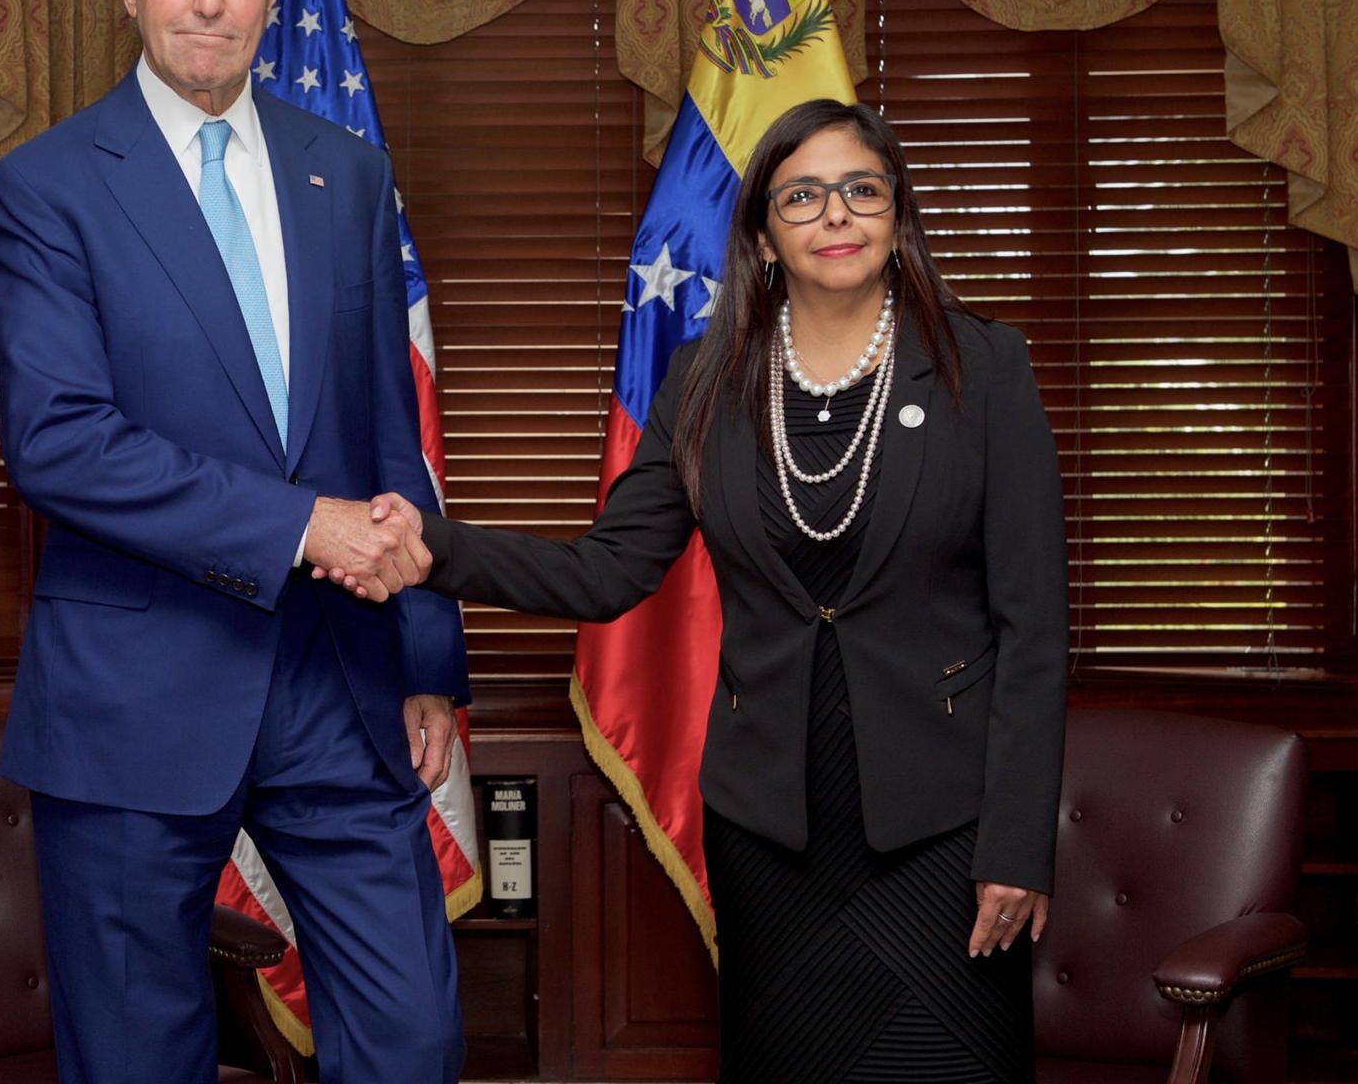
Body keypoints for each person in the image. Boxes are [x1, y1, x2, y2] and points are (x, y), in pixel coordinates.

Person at [350, 99, 1068, 1082]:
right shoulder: (704, 380)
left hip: (941, 825)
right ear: (763, 236)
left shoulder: (982, 368)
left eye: (861, 189)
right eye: (802, 195)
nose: (835, 214)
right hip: (771, 826)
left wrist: (1017, 844)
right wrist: (430, 545)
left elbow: (1031, 630)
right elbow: (605, 569)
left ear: (897, 218)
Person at [0, 0, 467, 1084]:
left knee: (411, 1036)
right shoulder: (46, 188)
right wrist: (300, 523)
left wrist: (424, 656)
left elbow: (383, 434)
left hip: (335, 683)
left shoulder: (345, 174)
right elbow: (58, 441)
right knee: (140, 1057)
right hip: (134, 690)